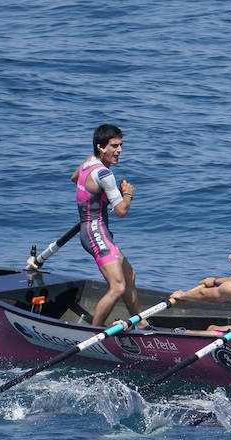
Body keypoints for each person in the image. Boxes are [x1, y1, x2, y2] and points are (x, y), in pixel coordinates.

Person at [71, 124, 143, 327]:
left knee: (129, 274)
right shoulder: (105, 175)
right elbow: (121, 211)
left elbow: (74, 178)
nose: (119, 151)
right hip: (96, 232)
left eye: (120, 145)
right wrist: (128, 194)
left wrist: (95, 193)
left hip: (90, 231)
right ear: (101, 147)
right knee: (118, 286)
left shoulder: (88, 163)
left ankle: (141, 323)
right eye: (114, 146)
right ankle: (94, 332)